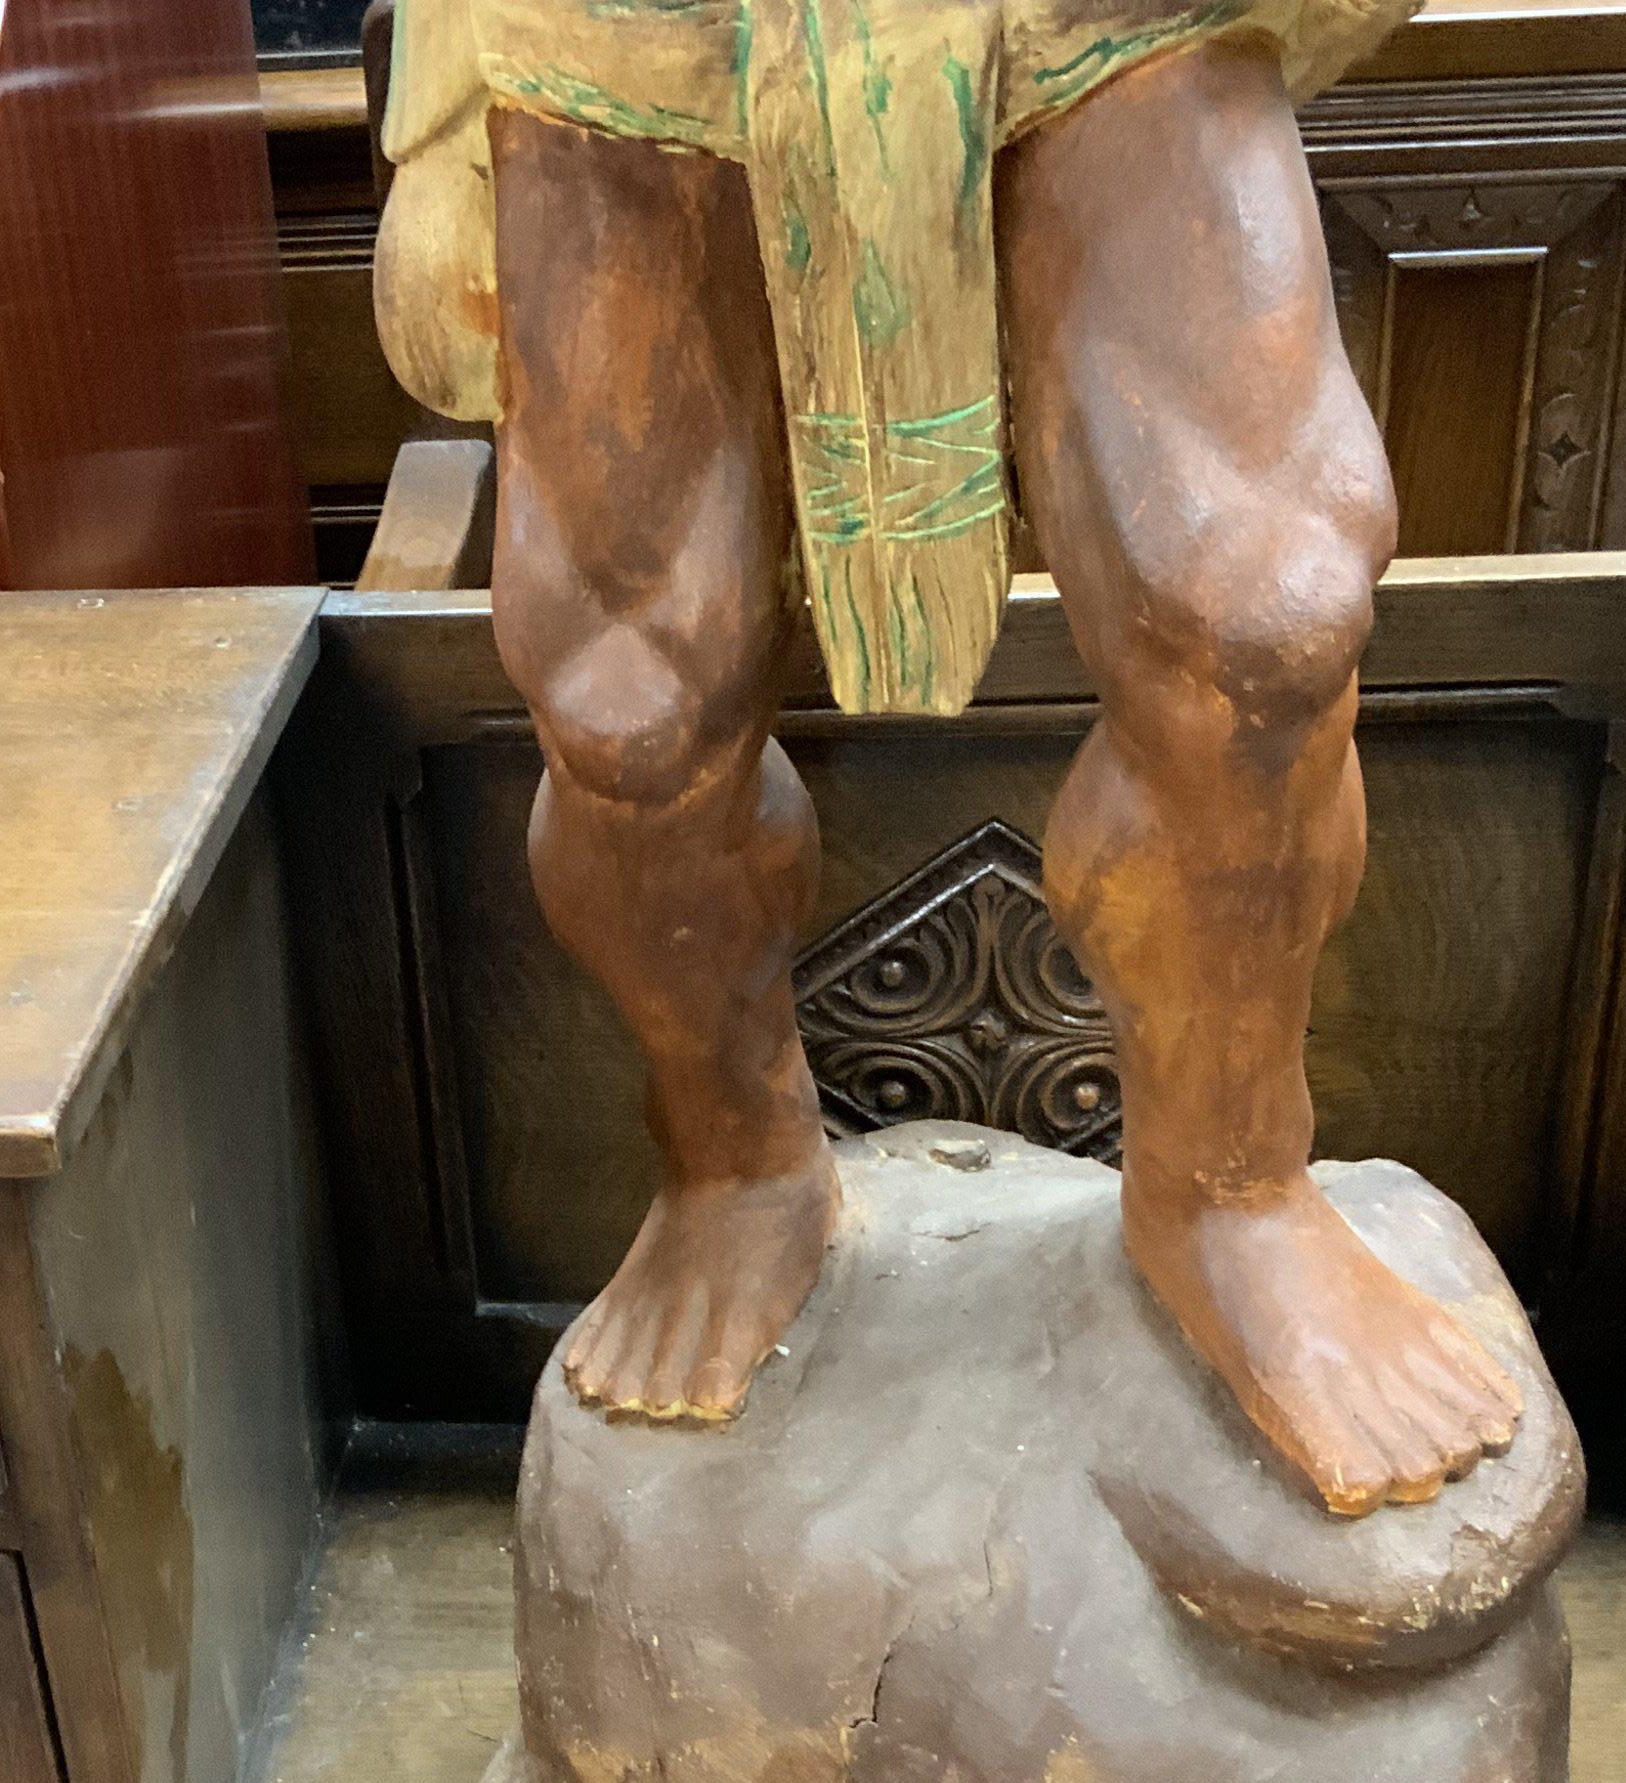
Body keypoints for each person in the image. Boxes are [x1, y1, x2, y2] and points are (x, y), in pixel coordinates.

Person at [375, 0, 1522, 1516]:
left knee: (1257, 622)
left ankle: (1231, 1183)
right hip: (625, 33)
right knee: (627, 707)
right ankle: (731, 1159)